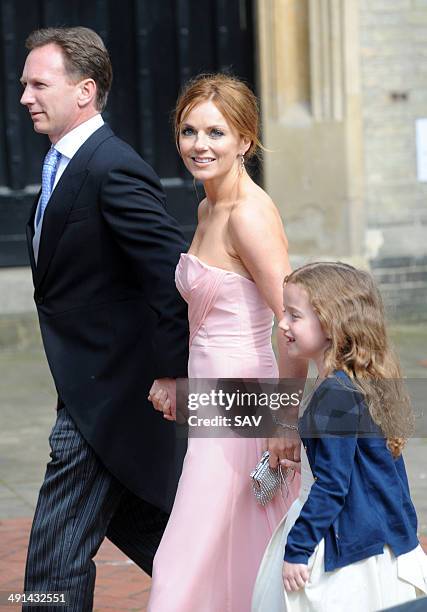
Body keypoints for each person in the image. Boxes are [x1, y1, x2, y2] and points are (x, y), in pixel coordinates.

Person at [19, 27, 188, 611]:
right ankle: (245, 594)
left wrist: (170, 375)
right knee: (159, 538)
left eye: (39, 84)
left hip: (113, 398)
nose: (24, 97)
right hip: (91, 390)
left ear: (85, 90)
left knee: (52, 562)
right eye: (24, 85)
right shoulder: (60, 164)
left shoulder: (111, 167)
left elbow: (173, 278)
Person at [147, 73, 307, 612]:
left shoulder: (249, 216)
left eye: (216, 133)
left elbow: (293, 325)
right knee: (231, 556)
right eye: (189, 131)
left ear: (245, 140)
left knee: (182, 561)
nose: (199, 145)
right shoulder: (205, 208)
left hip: (245, 407)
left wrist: (283, 422)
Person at [252, 262, 427, 611]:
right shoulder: (357, 381)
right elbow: (366, 465)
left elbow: (333, 486)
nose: (282, 323)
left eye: (294, 316)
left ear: (332, 324)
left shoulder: (334, 393)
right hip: (381, 531)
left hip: (348, 537)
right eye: (283, 312)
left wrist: (298, 549)